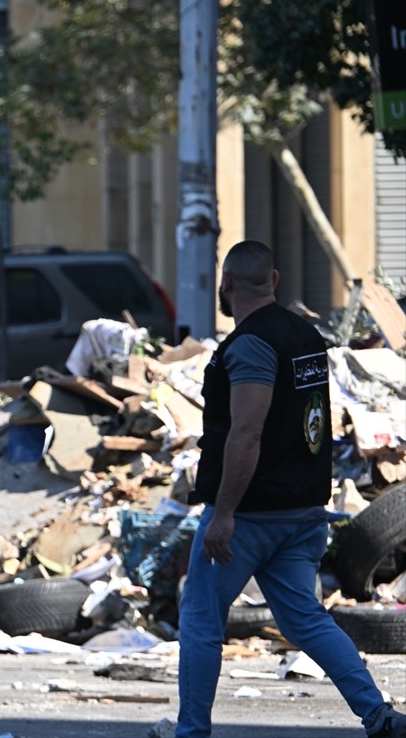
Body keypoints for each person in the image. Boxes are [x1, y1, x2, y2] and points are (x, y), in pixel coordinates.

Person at [176, 240, 404, 738]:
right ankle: (378, 715)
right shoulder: (305, 335)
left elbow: (247, 431)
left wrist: (224, 514)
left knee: (200, 621)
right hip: (303, 511)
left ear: (227, 284)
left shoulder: (251, 344)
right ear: (274, 281)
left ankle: (191, 732)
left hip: (250, 516)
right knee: (305, 619)